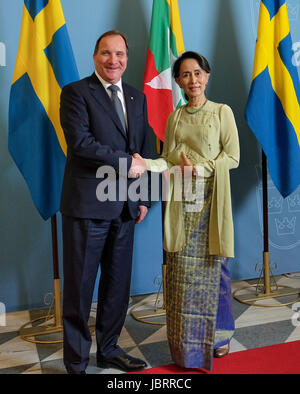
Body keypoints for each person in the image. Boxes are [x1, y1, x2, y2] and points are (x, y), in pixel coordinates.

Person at [134, 51, 240, 370]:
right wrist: (145, 164)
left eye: (197, 73)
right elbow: (167, 160)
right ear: (178, 81)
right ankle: (185, 345)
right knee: (181, 274)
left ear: (207, 76)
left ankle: (220, 336)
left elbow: (232, 157)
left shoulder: (222, 112)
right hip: (181, 203)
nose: (192, 80)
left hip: (211, 199)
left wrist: (202, 170)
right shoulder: (176, 117)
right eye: (185, 75)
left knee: (214, 270)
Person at [59, 30, 150, 374]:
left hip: (124, 206)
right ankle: (77, 362)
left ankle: (109, 349)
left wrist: (142, 197)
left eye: (120, 54)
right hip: (87, 207)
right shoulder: (76, 93)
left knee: (117, 285)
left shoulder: (136, 97)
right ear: (94, 56)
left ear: (127, 57)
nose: (114, 60)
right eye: (106, 53)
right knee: (80, 288)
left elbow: (141, 149)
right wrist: (127, 165)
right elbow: (81, 144)